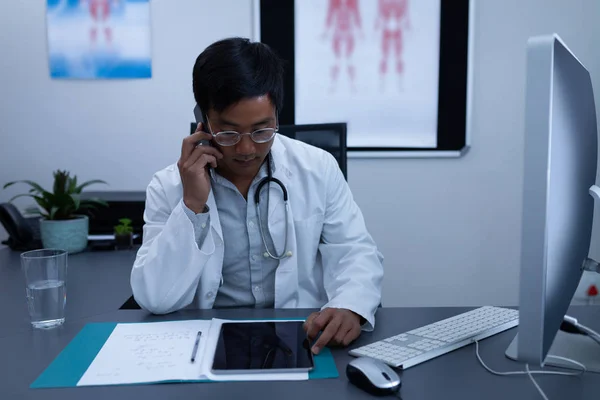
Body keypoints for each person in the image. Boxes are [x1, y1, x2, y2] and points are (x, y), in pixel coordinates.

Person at [130, 37, 384, 354]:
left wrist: (351, 305)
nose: (247, 148)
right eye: (229, 132)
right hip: (208, 342)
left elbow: (355, 251)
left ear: (277, 115)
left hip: (301, 336)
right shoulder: (167, 187)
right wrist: (193, 206)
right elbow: (154, 297)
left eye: (262, 130)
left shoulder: (318, 168)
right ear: (202, 120)